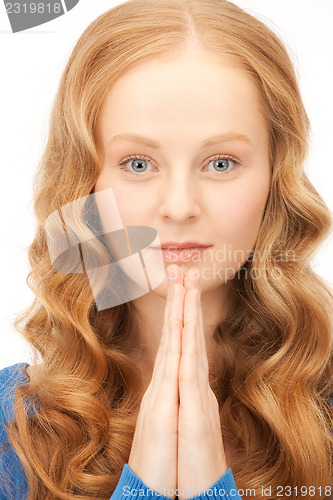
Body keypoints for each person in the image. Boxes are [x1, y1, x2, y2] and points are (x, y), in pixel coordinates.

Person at [0, 0, 332, 498]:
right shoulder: (12, 424)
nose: (179, 207)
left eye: (220, 163)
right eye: (138, 163)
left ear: (275, 178)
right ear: (85, 183)